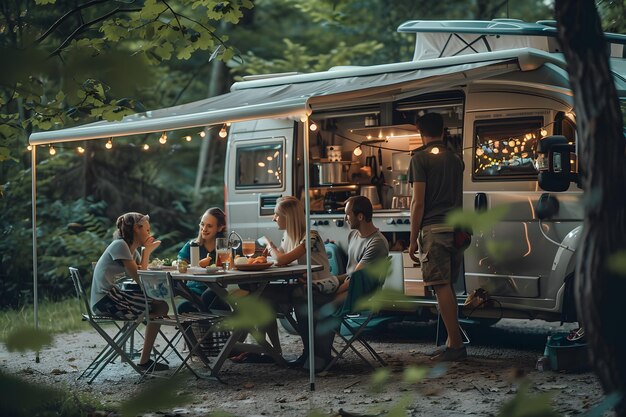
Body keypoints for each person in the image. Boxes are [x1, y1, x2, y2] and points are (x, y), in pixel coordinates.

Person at [294, 195, 389, 372]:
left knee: (319, 304)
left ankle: (321, 357)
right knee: (303, 299)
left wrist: (327, 289)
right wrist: (321, 283)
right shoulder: (354, 235)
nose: (345, 218)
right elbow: (349, 274)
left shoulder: (376, 242)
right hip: (350, 286)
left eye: (347, 214)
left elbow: (355, 279)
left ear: (360, 216)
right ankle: (310, 353)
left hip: (362, 294)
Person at [407, 112, 467, 362]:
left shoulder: (419, 158)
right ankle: (451, 341)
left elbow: (418, 203)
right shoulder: (456, 158)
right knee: (448, 286)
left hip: (435, 230)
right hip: (457, 230)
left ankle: (456, 346)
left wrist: (411, 240)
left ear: (421, 134)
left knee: (440, 286)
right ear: (443, 131)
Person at [260, 196, 338, 366]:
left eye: (276, 214)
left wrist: (269, 244)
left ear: (288, 217)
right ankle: (272, 351)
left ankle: (310, 354)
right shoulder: (287, 237)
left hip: (320, 287)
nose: (274, 218)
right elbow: (279, 259)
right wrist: (267, 254)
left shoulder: (311, 237)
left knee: (297, 294)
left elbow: (281, 260)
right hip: (302, 287)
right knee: (262, 295)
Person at [90, 212, 169, 372]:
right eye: (146, 230)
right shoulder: (120, 245)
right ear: (136, 229)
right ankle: (144, 361)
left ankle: (145, 356)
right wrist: (147, 252)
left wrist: (145, 252)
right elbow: (141, 280)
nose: (149, 233)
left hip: (112, 297)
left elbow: (142, 275)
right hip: (105, 302)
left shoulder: (131, 249)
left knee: (159, 306)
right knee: (159, 307)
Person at [177, 207, 226, 313]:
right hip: (193, 292)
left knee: (209, 295)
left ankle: (205, 326)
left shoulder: (224, 249)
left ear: (220, 227)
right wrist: (183, 265)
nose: (204, 229)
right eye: (202, 224)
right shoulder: (191, 246)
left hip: (217, 293)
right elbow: (180, 264)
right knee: (182, 309)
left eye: (209, 226)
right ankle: (205, 328)